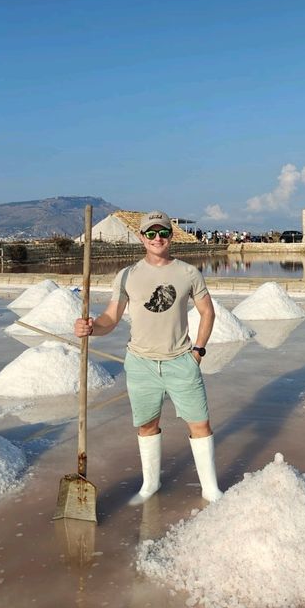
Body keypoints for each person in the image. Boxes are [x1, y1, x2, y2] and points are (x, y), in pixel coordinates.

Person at [74, 211, 222, 506]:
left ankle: (210, 489)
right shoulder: (127, 275)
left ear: (171, 236)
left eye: (163, 232)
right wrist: (92, 328)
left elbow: (208, 311)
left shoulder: (188, 273)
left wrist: (198, 351)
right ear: (141, 238)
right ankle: (150, 484)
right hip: (140, 363)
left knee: (200, 424)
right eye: (151, 233)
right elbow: (111, 318)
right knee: (146, 425)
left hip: (181, 360)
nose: (157, 238)